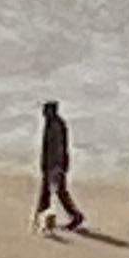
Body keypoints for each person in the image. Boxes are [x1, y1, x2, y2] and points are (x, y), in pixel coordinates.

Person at [34, 96, 84, 233]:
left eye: (45, 109)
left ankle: (74, 216)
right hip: (53, 165)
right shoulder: (53, 124)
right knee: (51, 192)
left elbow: (57, 149)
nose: (43, 112)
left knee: (56, 192)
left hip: (55, 165)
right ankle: (42, 219)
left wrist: (54, 167)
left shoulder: (55, 126)